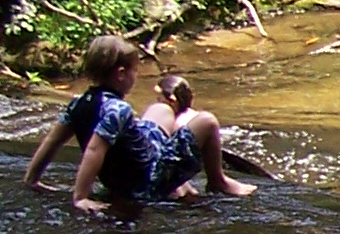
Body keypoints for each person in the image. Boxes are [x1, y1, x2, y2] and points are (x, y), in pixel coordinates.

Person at [23, 34, 257, 214]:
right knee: (207, 121)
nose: (137, 77)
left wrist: (32, 179)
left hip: (135, 162)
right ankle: (217, 181)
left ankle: (181, 165)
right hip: (148, 180)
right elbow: (94, 149)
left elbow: (52, 140)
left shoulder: (79, 103)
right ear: (121, 73)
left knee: (160, 109)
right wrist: (80, 197)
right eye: (135, 71)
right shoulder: (118, 110)